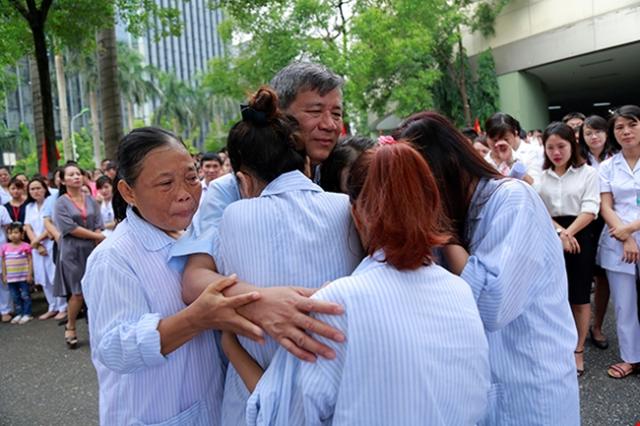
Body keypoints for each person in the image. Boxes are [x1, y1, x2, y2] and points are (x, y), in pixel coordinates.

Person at [232, 141, 490, 425]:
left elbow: (277, 415)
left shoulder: (339, 304)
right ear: (432, 207)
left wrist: (229, 341)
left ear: (356, 214)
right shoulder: (459, 292)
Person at [187, 87, 362, 425]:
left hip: (253, 393)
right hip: (337, 392)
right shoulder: (346, 209)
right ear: (306, 163)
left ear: (243, 180)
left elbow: (196, 277)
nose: (329, 123)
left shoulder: (233, 216)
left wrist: (238, 328)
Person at [396, 111, 580, 425]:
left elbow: (493, 305)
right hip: (486, 384)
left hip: (530, 386)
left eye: (422, 184)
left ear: (444, 169)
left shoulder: (512, 199)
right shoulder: (466, 210)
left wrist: (440, 228)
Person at [82, 127, 263, 425]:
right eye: (165, 183)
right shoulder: (114, 257)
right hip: (152, 413)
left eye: (191, 178)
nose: (184, 194)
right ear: (128, 192)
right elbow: (115, 348)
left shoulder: (194, 236)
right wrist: (196, 318)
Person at [177, 61, 349, 363]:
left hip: (335, 363)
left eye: (336, 113)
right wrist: (262, 302)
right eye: (315, 111)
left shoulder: (343, 175)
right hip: (256, 360)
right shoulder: (229, 190)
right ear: (279, 114)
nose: (330, 124)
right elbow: (194, 279)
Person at [535, 122, 600, 376]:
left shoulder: (588, 174)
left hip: (580, 234)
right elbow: (539, 209)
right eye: (550, 147)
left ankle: (578, 349)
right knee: (553, 295)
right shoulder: (540, 177)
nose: (556, 152)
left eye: (561, 146)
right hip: (551, 234)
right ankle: (557, 347)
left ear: (572, 145)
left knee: (580, 295)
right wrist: (560, 233)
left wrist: (569, 232)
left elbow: (591, 209)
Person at [596, 105, 640, 379]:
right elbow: (605, 205)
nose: (625, 131)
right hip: (616, 240)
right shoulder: (607, 166)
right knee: (624, 303)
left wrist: (630, 230)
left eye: (632, 124)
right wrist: (624, 235)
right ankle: (631, 358)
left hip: (625, 232)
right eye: (619, 127)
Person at [578, 114, 619, 349]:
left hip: (610, 221)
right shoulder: (578, 159)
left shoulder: (616, 158)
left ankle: (597, 326)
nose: (593, 137)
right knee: (582, 277)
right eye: (588, 133)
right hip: (585, 222)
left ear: (607, 133)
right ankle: (579, 327)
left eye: (598, 131)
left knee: (603, 278)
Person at [53, 163, 105, 349]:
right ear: (62, 180)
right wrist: (98, 236)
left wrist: (98, 236)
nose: (76, 177)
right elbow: (70, 228)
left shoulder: (90, 199)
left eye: (78, 173)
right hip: (72, 251)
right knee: (78, 292)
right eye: (71, 174)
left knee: (97, 289)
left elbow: (98, 221)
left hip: (93, 250)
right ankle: (71, 325)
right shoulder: (60, 203)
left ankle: (98, 329)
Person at [24, 177, 67, 320]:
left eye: (38, 188)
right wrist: (35, 244)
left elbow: (51, 225)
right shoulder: (29, 207)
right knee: (44, 279)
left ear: (45, 189)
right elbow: (27, 227)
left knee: (55, 277)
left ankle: (63, 307)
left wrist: (37, 241)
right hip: (37, 248)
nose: (36, 191)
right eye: (32, 189)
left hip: (49, 243)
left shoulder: (51, 204)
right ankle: (52, 306)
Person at [483, 112, 541, 183]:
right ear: (486, 137)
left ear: (515, 135)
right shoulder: (483, 162)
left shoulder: (529, 154)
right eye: (495, 140)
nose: (499, 144)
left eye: (505, 139)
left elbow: (536, 187)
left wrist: (511, 162)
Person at [1, 222, 34, 324]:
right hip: (11, 278)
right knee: (15, 296)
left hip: (23, 276)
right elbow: (3, 262)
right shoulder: (4, 247)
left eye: (16, 232)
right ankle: (19, 313)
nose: (13, 235)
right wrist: (5, 275)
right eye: (10, 233)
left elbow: (30, 260)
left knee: (25, 295)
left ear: (22, 234)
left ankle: (27, 313)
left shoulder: (26, 246)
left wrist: (29, 274)